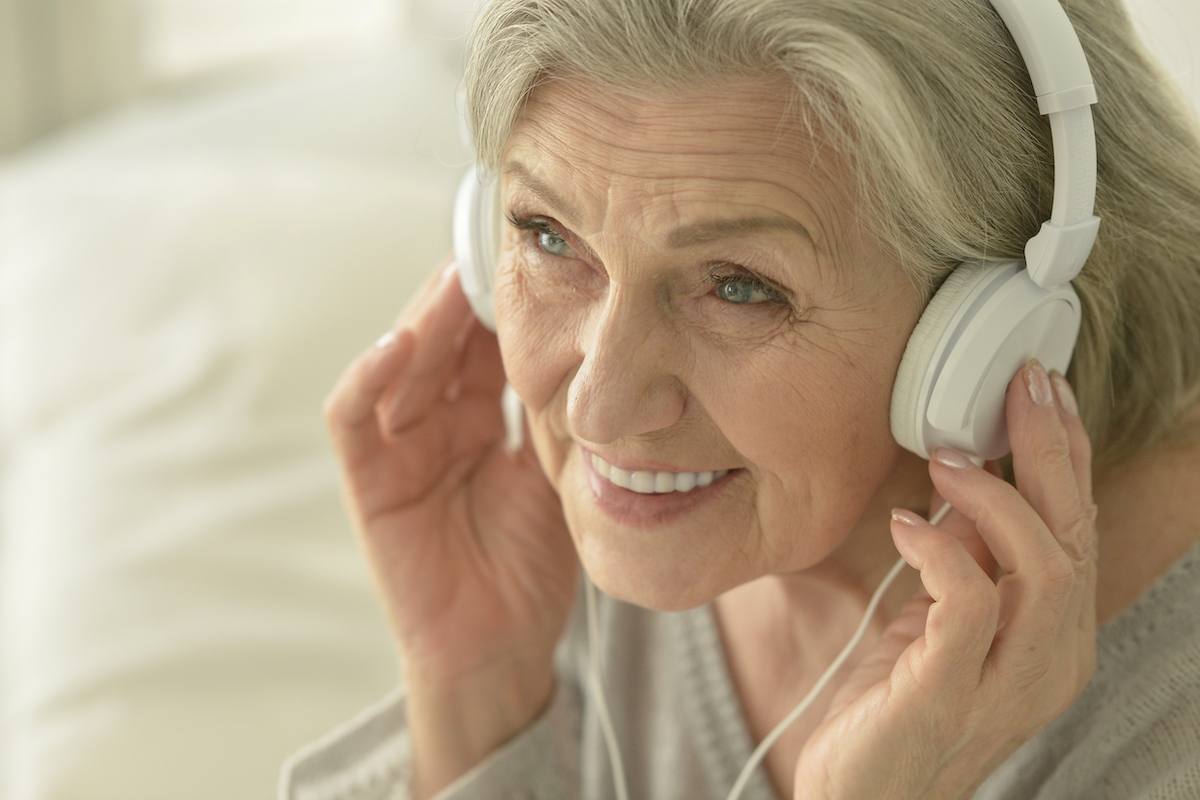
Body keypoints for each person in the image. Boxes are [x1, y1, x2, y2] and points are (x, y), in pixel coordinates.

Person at [280, 0, 1200, 798]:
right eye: (547, 235)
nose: (597, 409)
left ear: (988, 326)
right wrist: (474, 699)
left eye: (739, 286)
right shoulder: (586, 550)